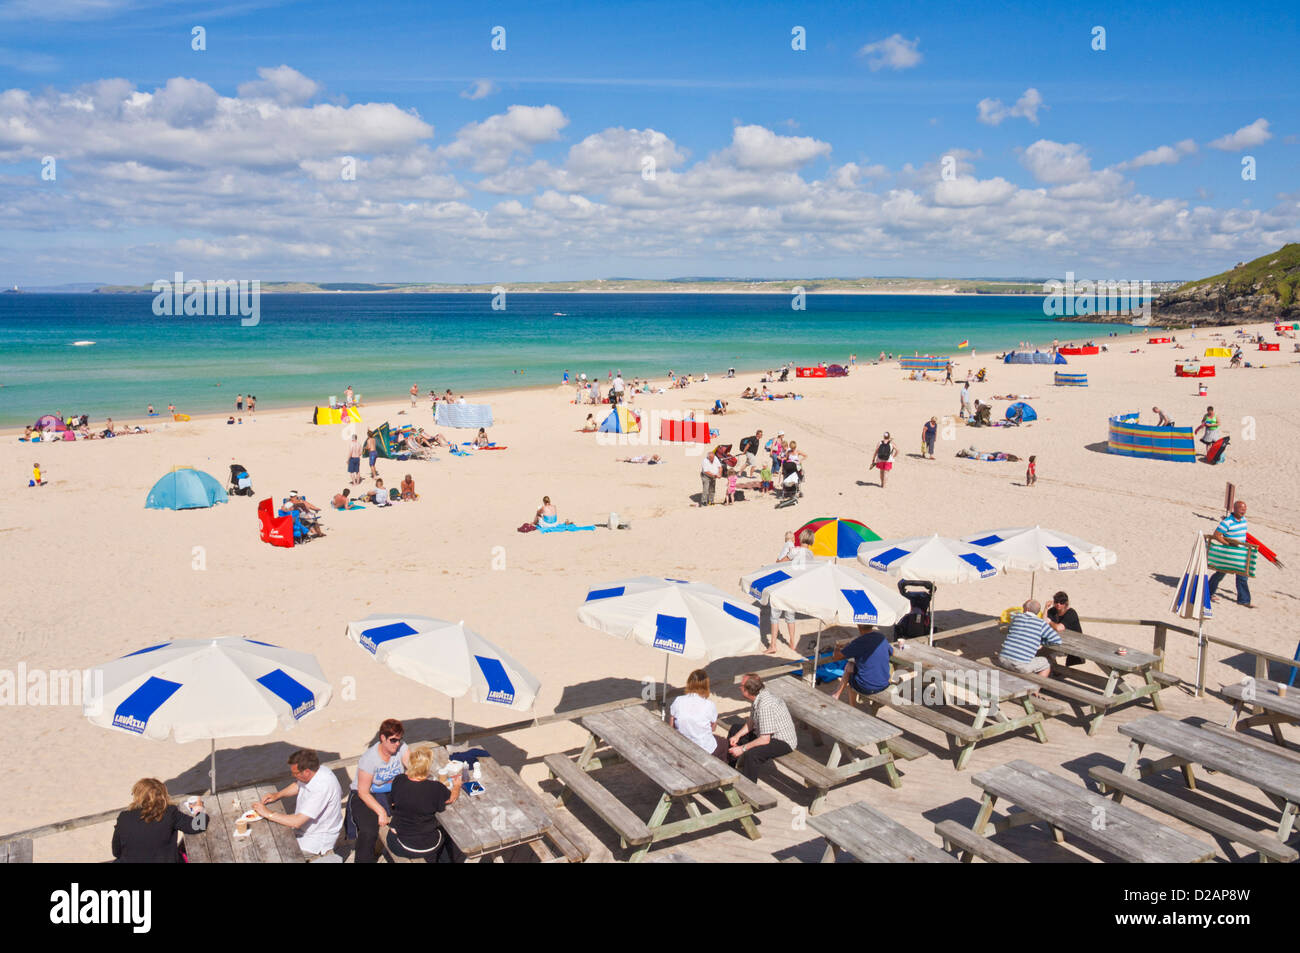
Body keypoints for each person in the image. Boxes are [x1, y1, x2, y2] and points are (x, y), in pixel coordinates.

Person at [254, 749, 344, 861]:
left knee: (271, 852)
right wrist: (277, 795)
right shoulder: (315, 771)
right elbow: (298, 785)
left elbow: (297, 822)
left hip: (316, 840)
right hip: (304, 830)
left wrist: (268, 814)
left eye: (295, 773)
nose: (293, 775)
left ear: (306, 772)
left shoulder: (322, 786)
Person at [347, 719, 410, 864]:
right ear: (383, 738)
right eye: (393, 740)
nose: (397, 744)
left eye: (399, 740)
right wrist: (380, 811)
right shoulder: (370, 758)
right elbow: (363, 792)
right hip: (367, 795)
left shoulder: (401, 748)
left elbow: (412, 767)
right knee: (369, 832)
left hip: (391, 793)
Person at [385, 745, 462, 862]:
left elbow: (392, 803)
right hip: (427, 844)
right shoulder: (435, 788)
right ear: (428, 767)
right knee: (451, 834)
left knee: (391, 832)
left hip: (400, 844)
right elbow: (451, 798)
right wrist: (457, 786)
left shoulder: (398, 780)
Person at [111, 778, 207, 863]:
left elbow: (116, 851)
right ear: (163, 795)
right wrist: (199, 809)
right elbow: (199, 826)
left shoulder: (124, 817)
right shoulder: (170, 813)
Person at [726, 674, 798, 782]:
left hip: (782, 741)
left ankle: (748, 790)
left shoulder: (765, 705)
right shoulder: (758, 696)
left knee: (752, 755)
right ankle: (727, 771)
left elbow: (765, 739)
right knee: (735, 729)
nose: (739, 687)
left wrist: (742, 748)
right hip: (765, 733)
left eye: (741, 685)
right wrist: (737, 736)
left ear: (747, 691)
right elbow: (752, 721)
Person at [830, 625, 894, 703]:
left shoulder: (859, 642)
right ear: (872, 625)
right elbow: (892, 652)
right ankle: (836, 694)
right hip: (884, 684)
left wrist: (837, 647)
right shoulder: (881, 637)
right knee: (850, 666)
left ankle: (851, 706)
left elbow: (836, 657)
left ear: (859, 626)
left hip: (866, 687)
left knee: (851, 678)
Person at [1208, 500, 1253, 607]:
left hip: (1241, 553)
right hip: (1229, 554)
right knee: (1220, 574)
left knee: (1242, 576)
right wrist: (1227, 544)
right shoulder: (1227, 522)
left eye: (1245, 509)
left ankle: (1244, 600)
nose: (1244, 511)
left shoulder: (1244, 520)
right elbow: (1217, 535)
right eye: (1241, 509)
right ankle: (1208, 593)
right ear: (1235, 509)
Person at [997, 600, 1060, 675]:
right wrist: (1041, 642)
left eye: (1023, 606)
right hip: (1020, 666)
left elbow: (1010, 629)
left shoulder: (1016, 618)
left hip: (1002, 660)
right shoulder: (1041, 624)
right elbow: (1057, 640)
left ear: (1026, 609)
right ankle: (1038, 686)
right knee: (1047, 663)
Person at [669, 669, 721, 756]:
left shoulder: (678, 700)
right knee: (724, 746)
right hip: (704, 747)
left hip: (682, 744)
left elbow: (671, 726)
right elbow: (713, 728)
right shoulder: (709, 705)